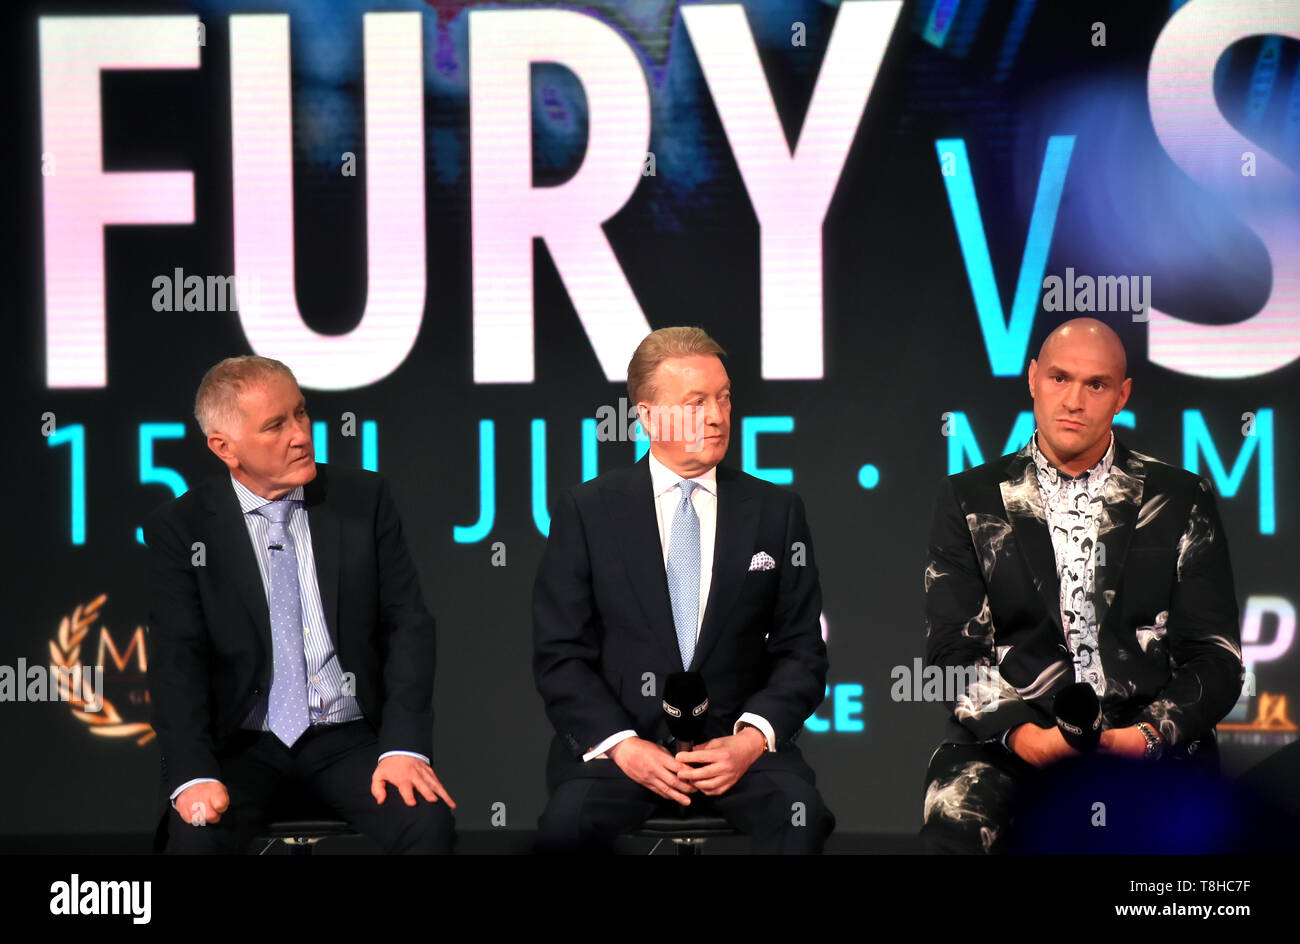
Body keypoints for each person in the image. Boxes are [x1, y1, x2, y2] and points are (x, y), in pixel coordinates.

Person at [921, 318, 1243, 853]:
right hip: (1015, 740)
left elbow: (1215, 658)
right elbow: (954, 650)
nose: (1074, 400)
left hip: (1146, 741)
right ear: (1032, 379)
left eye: (1096, 385)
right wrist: (1026, 737)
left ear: (1122, 395)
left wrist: (1143, 738)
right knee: (954, 829)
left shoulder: (1180, 498)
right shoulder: (970, 499)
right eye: (1059, 378)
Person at [532, 327, 834, 853]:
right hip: (626, 751)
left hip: (740, 753)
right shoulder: (588, 511)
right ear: (647, 416)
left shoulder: (776, 512)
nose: (718, 416)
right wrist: (624, 746)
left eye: (724, 397)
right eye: (696, 403)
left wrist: (749, 740)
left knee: (802, 822)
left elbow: (801, 652)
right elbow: (560, 655)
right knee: (564, 830)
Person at [145, 356, 455, 853]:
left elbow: (407, 625)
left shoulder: (362, 498)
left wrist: (401, 747)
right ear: (225, 448)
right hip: (239, 747)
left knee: (425, 823)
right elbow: (176, 663)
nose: (301, 434)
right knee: (196, 841)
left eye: (301, 413)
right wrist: (193, 775)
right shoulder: (182, 528)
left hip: (348, 738)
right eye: (275, 425)